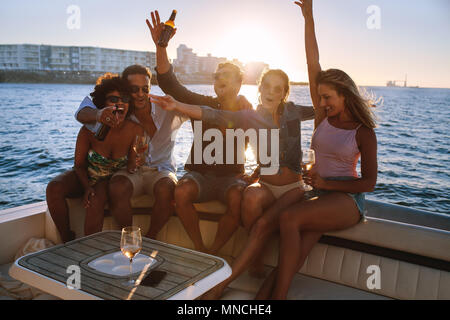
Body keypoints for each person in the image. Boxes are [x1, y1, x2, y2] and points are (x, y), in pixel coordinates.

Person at [149, 67, 315, 299]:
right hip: (266, 186)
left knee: (256, 216)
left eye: (277, 89)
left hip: (292, 187)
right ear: (259, 89)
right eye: (266, 86)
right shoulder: (252, 116)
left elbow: (324, 108)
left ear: (285, 93)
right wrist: (176, 106)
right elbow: (211, 114)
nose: (270, 92)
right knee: (250, 196)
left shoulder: (294, 112)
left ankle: (232, 273)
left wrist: (356, 106)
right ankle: (250, 257)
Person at [255, 0, 378, 300]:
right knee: (289, 260)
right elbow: (313, 63)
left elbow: (369, 183)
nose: (321, 104)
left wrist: (327, 184)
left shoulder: (364, 132)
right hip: (320, 195)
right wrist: (308, 17)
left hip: (347, 200)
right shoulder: (324, 117)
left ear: (345, 94)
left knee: (288, 219)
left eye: (327, 98)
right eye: (320, 98)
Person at [148, 11, 254, 254]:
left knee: (239, 199)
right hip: (199, 175)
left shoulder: (249, 111)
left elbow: (268, 144)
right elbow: (169, 83)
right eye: (217, 78)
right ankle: (199, 247)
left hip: (232, 179)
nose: (220, 82)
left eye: (227, 78)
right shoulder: (201, 105)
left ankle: (214, 251)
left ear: (239, 84)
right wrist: (161, 46)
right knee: (182, 191)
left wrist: (256, 174)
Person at [49, 74, 143, 238]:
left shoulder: (134, 130)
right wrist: (86, 186)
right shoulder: (89, 129)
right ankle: (66, 237)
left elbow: (131, 166)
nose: (120, 103)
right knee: (54, 187)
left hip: (109, 180)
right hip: (85, 174)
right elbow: (78, 165)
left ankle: (95, 248)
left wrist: (136, 161)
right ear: (102, 104)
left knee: (95, 199)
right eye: (113, 99)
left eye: (125, 98)